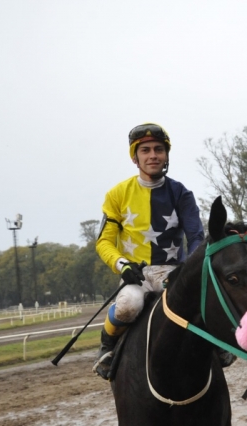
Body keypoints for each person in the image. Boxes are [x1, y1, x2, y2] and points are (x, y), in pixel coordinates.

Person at [93, 123, 204, 379]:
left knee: (198, 306)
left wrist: (189, 271)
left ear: (166, 155)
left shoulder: (181, 193)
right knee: (128, 306)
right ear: (135, 157)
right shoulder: (117, 195)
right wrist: (123, 265)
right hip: (136, 274)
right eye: (145, 150)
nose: (153, 155)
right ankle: (106, 346)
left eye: (158, 149)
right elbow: (104, 242)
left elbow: (196, 237)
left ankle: (217, 347)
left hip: (173, 272)